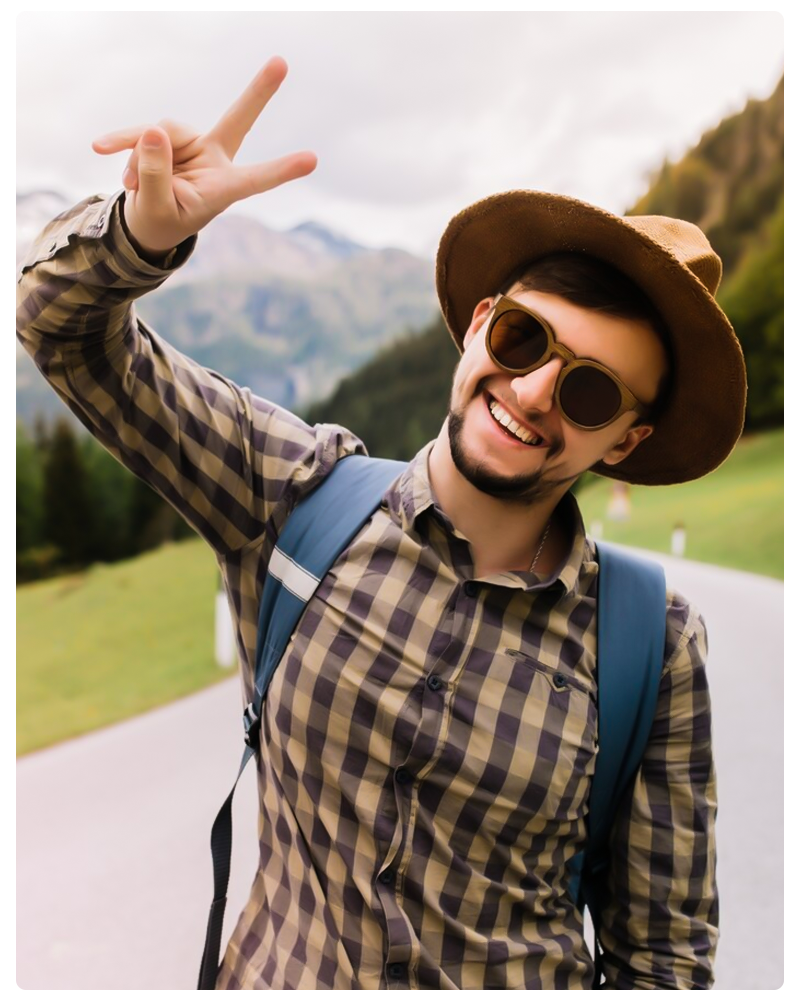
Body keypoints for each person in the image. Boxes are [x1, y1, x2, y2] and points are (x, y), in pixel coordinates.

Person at [17, 59, 745, 990]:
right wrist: (140, 237)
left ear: (625, 438)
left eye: (590, 390)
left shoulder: (654, 645)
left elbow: (664, 964)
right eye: (524, 338)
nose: (530, 393)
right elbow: (60, 330)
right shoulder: (288, 491)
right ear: (481, 322)